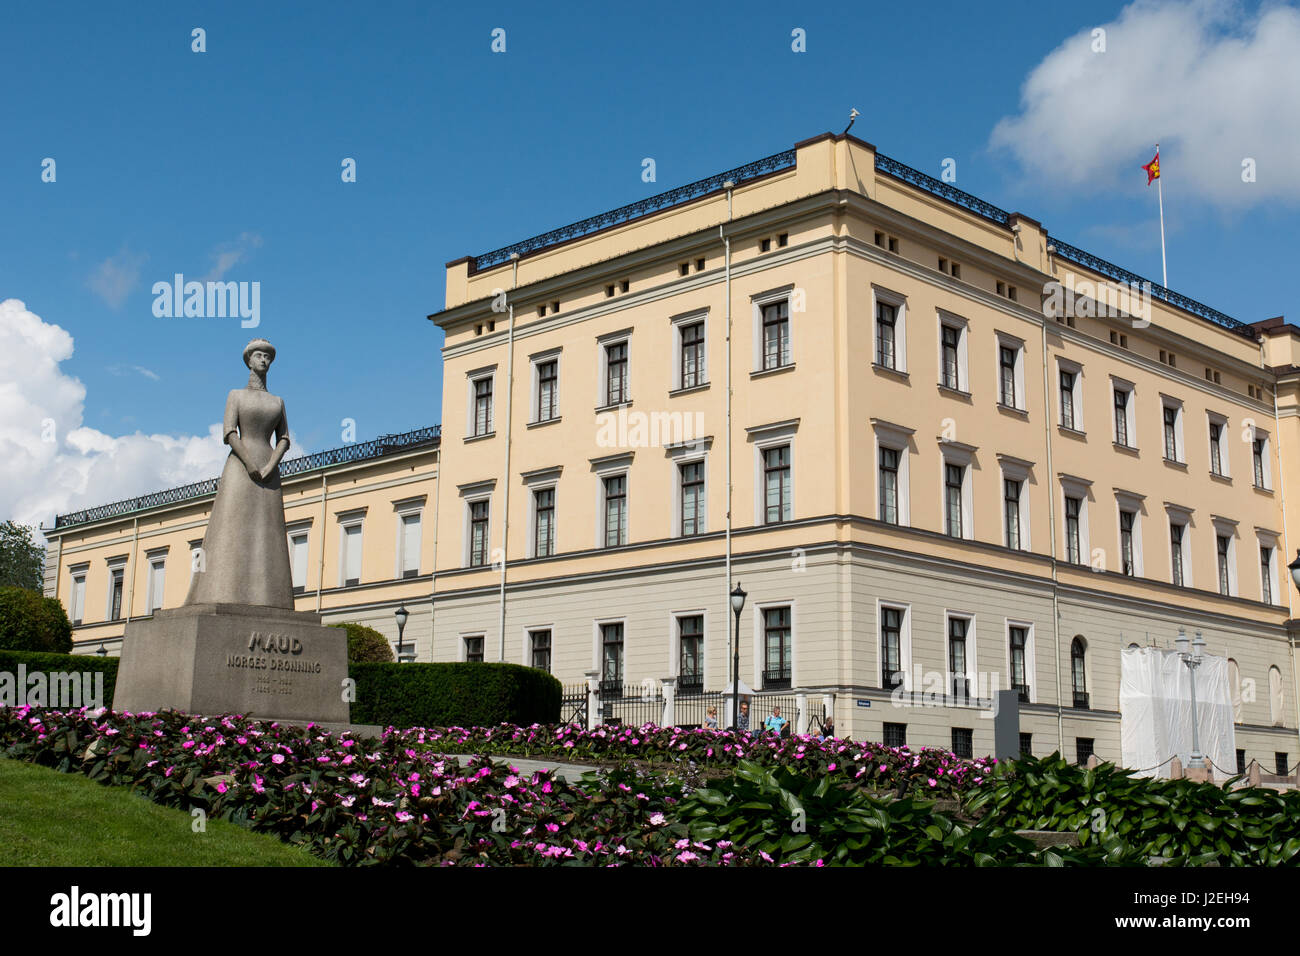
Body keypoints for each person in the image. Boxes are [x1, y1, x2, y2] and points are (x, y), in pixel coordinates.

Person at [185, 339, 295, 609]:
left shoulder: (277, 402)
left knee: (266, 531)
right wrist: (248, 462)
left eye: (267, 357)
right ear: (249, 360)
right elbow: (229, 433)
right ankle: (221, 589)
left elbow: (284, 438)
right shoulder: (235, 395)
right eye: (259, 356)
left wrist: (271, 465)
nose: (264, 361)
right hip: (240, 466)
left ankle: (267, 596)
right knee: (230, 526)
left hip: (269, 469)